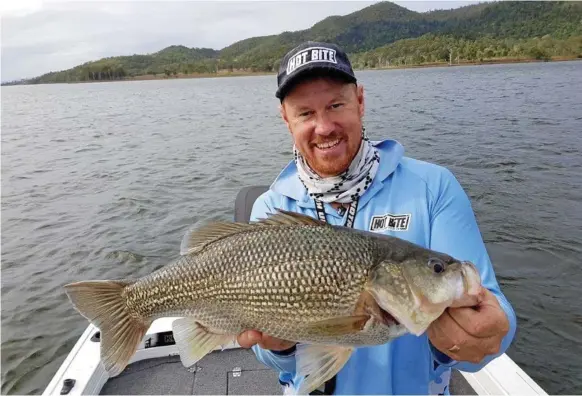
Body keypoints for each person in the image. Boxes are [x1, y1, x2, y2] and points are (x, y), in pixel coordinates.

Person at [236, 41, 517, 395]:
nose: (323, 127)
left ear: (360, 101)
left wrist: (486, 333)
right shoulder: (270, 208)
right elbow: (278, 363)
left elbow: (494, 318)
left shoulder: (432, 187)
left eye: (336, 105)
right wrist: (281, 346)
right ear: (286, 119)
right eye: (305, 113)